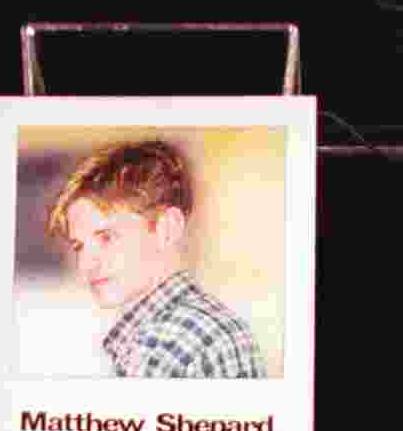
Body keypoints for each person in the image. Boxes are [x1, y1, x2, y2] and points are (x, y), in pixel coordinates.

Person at [46, 140, 266, 378]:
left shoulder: (166, 343)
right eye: (79, 247)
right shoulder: (212, 324)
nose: (85, 264)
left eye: (107, 237)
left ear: (167, 229)